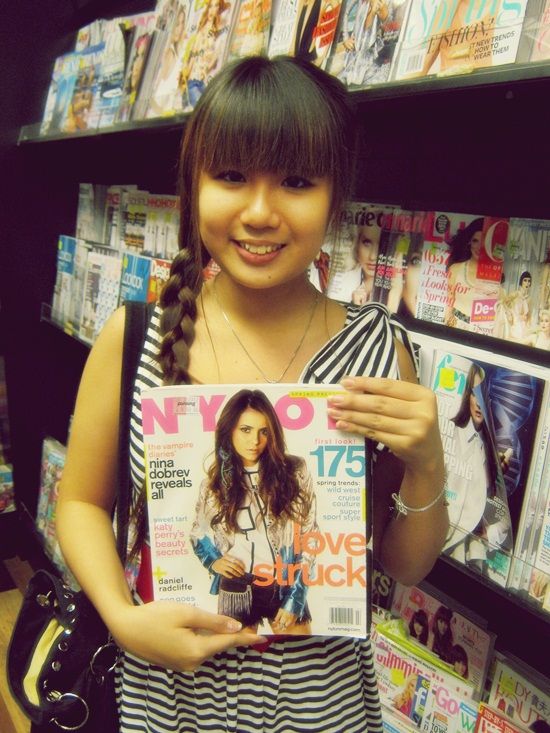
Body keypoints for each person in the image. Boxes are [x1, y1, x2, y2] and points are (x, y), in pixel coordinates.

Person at [57, 55, 448, 733]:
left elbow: (402, 563)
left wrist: (429, 464)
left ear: (335, 194)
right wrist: (122, 618)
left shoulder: (378, 350)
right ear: (194, 182)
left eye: (296, 181)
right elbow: (81, 502)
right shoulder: (137, 336)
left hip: (322, 705)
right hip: (170, 698)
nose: (261, 213)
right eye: (232, 176)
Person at [190, 388, 317, 634]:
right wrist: (213, 561)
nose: (255, 441)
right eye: (246, 430)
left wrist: (296, 598)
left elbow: (309, 535)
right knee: (237, 654)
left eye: (263, 432)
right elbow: (197, 533)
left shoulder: (294, 471)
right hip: (236, 586)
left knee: (302, 650)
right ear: (229, 430)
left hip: (284, 584)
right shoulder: (213, 485)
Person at [445, 363, 512, 577]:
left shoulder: (490, 451)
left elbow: (503, 521)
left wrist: (487, 534)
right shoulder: (448, 432)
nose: (480, 403)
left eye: (486, 396)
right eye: (475, 394)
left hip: (471, 561)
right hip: (439, 547)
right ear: (467, 395)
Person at [445, 218, 501, 331]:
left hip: (484, 331)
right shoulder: (456, 269)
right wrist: (446, 328)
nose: (479, 247)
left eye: (484, 242)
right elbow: (449, 302)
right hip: (456, 326)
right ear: (469, 242)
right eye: (475, 241)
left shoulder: (497, 274)